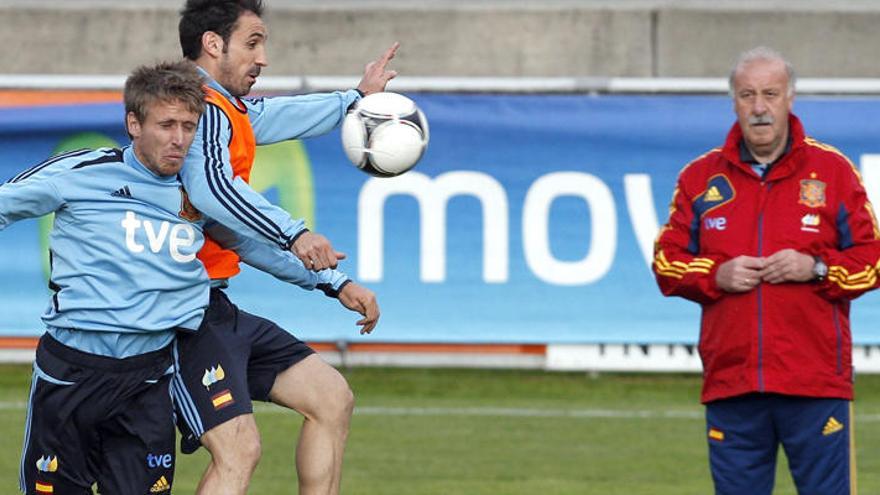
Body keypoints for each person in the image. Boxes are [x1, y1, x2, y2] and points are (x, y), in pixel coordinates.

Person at [171, 1, 390, 493]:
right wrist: (298, 234)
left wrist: (334, 282)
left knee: (331, 397)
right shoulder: (193, 109)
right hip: (175, 315)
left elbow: (234, 230)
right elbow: (213, 190)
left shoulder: (227, 111)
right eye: (253, 42)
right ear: (212, 44)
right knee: (239, 448)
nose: (264, 58)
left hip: (213, 306)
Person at [653, 46, 880, 495]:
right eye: (747, 95)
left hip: (814, 382)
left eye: (770, 94)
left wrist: (815, 267)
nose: (759, 108)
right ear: (733, 102)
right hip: (732, 383)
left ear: (790, 98)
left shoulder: (833, 172)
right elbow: (666, 263)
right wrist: (716, 275)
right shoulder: (699, 179)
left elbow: (872, 259)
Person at [7, 60, 206, 495]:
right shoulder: (81, 172)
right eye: (166, 124)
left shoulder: (201, 187)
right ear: (133, 124)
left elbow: (254, 240)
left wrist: (331, 280)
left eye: (189, 126)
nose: (179, 140)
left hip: (149, 379)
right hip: (71, 372)